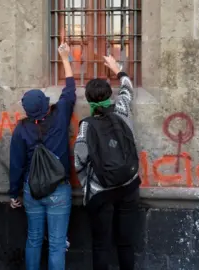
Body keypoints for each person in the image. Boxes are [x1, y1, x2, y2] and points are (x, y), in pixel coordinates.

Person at [8, 43, 76, 270]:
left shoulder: (20, 130)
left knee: (33, 239)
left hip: (31, 189)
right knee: (57, 244)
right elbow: (70, 89)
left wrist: (13, 193)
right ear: (47, 105)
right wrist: (65, 58)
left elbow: (16, 165)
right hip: (59, 189)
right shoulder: (60, 116)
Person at [74, 55, 141, 270]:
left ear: (89, 100)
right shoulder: (122, 111)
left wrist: (89, 185)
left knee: (101, 245)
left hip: (101, 192)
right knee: (126, 243)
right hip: (129, 186)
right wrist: (117, 69)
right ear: (109, 96)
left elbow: (79, 158)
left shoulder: (87, 126)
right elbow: (127, 89)